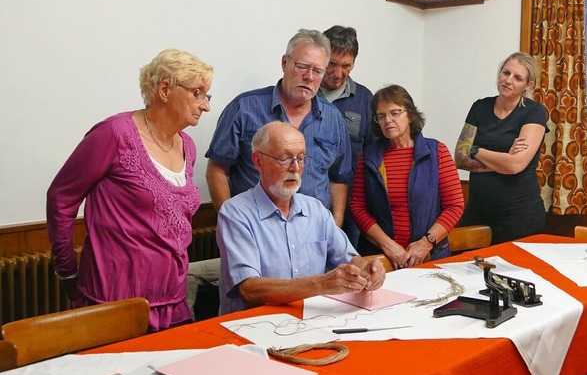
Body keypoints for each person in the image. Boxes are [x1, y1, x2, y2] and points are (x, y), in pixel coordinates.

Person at [46, 48, 213, 331]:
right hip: (114, 301)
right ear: (164, 89)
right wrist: (66, 270)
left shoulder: (188, 146)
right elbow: (61, 197)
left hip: (172, 300)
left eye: (207, 96)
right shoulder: (114, 134)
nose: (205, 105)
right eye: (197, 93)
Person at [217, 121, 385, 315]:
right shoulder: (236, 213)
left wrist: (369, 270)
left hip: (311, 320)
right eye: (284, 159)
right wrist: (322, 283)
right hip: (254, 325)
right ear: (258, 161)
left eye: (301, 158)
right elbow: (249, 289)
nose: (295, 168)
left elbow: (350, 259)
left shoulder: (315, 210)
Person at [205, 29, 352, 226]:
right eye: (302, 66)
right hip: (254, 228)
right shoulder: (244, 108)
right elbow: (217, 170)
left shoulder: (333, 118)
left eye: (318, 71)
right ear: (284, 63)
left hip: (313, 232)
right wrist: (230, 222)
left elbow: (338, 178)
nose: (309, 76)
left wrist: (336, 225)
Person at [350, 85, 465, 269]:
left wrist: (426, 243)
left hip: (430, 256)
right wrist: (388, 246)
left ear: (410, 115)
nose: (388, 120)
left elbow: (455, 206)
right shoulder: (369, 156)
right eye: (381, 116)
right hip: (382, 260)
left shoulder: (437, 152)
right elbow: (358, 207)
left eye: (395, 113)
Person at [454, 52, 549, 244]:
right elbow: (459, 157)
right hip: (478, 208)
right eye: (505, 73)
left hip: (519, 213)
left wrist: (476, 150)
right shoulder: (480, 107)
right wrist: (504, 159)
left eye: (517, 77)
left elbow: (515, 165)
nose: (508, 80)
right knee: (463, 267)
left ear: (528, 85)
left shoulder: (534, 112)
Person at [318, 25, 375, 248]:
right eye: (332, 64)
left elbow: (373, 152)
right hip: (308, 197)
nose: (338, 73)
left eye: (346, 66)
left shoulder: (364, 99)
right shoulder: (305, 93)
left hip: (351, 203)